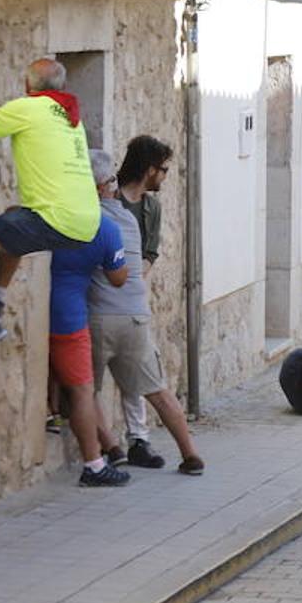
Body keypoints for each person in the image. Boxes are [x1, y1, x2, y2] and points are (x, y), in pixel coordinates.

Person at [0, 59, 101, 357]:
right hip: (85, 221)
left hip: (56, 219)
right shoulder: (63, 112)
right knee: (14, 218)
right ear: (61, 86)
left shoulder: (27, 108)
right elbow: (2, 116)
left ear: (28, 85)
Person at [82, 150, 206, 475]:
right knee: (158, 390)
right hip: (135, 316)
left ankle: (110, 448)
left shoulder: (85, 217)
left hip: (99, 316)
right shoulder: (128, 219)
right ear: (109, 185)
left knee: (85, 391)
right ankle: (190, 454)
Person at [49, 189, 131, 486]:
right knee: (83, 392)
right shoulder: (105, 227)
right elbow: (119, 278)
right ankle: (94, 466)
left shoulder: (49, 215)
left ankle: (52, 414)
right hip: (69, 318)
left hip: (41, 311)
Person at [110, 135, 172, 466]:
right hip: (101, 296)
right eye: (162, 169)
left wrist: (133, 277)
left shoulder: (151, 208)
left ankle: (138, 439)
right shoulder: (109, 199)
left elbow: (150, 250)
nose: (164, 176)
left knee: (135, 371)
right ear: (149, 170)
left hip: (131, 300)